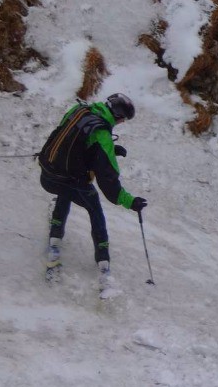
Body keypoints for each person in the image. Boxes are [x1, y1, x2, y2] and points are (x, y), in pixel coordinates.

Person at [38, 93, 147, 288]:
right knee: (94, 206)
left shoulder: (79, 110)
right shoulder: (102, 134)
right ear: (119, 117)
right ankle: (103, 260)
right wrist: (131, 202)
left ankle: (55, 236)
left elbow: (72, 142)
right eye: (122, 120)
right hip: (66, 179)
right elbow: (109, 183)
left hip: (47, 173)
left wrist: (110, 149)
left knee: (67, 190)